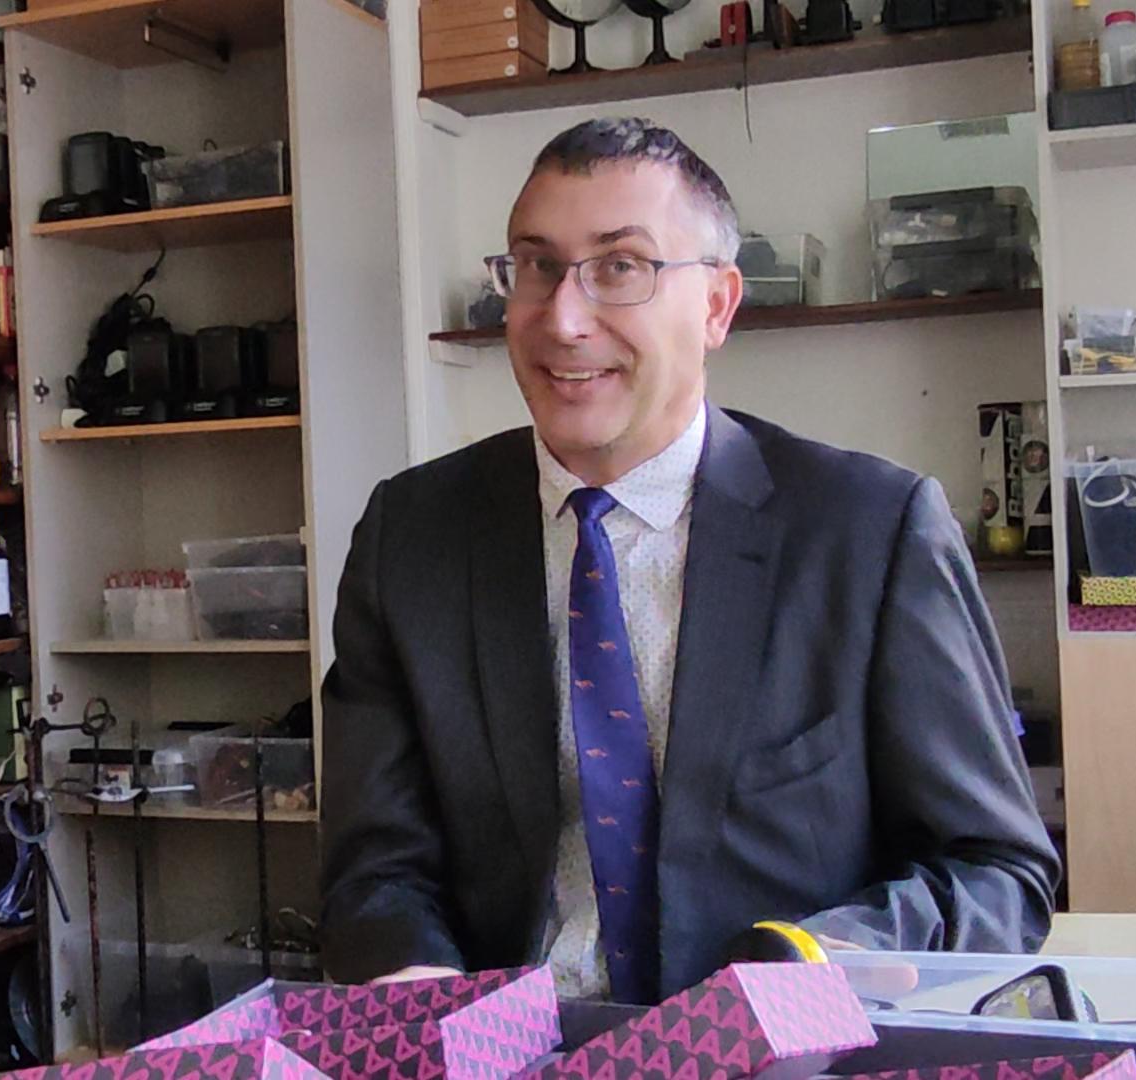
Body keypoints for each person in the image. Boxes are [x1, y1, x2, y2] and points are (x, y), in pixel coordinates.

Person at [319, 117, 1059, 1003]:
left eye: (620, 267)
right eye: (538, 266)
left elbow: (995, 869)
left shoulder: (870, 531)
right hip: (503, 1046)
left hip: (776, 1044)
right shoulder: (412, 535)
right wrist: (417, 992)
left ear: (716, 305)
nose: (563, 319)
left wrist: (820, 960)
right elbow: (376, 864)